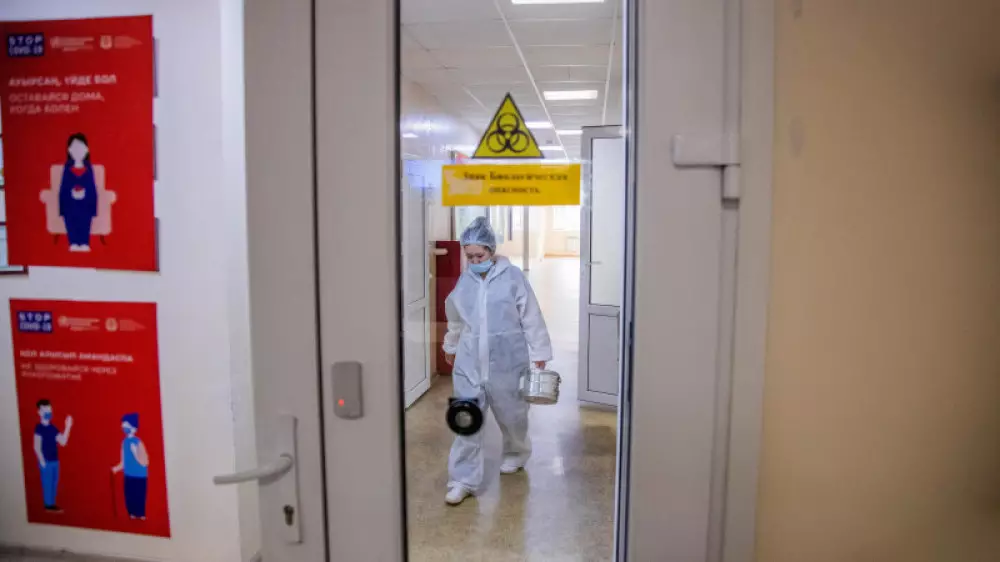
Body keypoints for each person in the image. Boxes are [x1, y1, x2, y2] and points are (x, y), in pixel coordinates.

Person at [442, 217, 552, 505]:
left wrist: (539, 353)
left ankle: (516, 453)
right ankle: (462, 480)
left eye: (479, 255)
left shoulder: (513, 277)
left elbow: (531, 315)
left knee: (513, 414)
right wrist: (451, 345)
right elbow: (456, 317)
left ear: (491, 251)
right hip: (470, 362)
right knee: (466, 419)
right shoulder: (465, 280)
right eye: (469, 256)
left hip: (507, 359)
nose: (474, 261)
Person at [58, 133, 98, 252]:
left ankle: (84, 242)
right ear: (69, 150)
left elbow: (91, 186)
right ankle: (73, 242)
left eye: (81, 147)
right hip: (71, 205)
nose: (78, 151)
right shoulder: (67, 169)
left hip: (85, 204)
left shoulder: (89, 169)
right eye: (74, 147)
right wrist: (71, 194)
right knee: (71, 220)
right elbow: (64, 187)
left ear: (87, 150)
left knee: (85, 220)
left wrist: (85, 194)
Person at [33, 399, 73, 512]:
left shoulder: (53, 428)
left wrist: (68, 426)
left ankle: (52, 504)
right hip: (46, 461)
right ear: (39, 412)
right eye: (45, 410)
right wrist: (42, 461)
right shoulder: (39, 428)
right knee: (47, 483)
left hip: (55, 460)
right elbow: (36, 446)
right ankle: (48, 505)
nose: (48, 412)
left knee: (54, 482)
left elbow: (63, 442)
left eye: (49, 410)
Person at [112, 413, 150, 520]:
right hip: (128, 475)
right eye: (123, 426)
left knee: (139, 496)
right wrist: (116, 468)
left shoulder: (138, 442)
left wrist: (135, 453)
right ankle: (131, 513)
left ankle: (141, 514)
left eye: (126, 425)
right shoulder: (124, 442)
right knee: (129, 496)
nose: (124, 428)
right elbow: (123, 461)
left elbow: (145, 462)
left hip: (140, 476)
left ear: (134, 428)